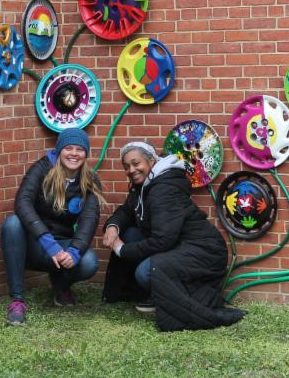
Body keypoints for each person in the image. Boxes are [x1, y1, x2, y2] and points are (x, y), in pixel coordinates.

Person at [102, 141, 245, 331]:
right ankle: (151, 292)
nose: (131, 170)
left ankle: (163, 296)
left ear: (151, 161)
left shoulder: (163, 189)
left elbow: (162, 240)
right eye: (126, 166)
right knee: (130, 233)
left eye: (136, 163)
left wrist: (122, 249)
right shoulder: (143, 186)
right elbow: (127, 211)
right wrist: (112, 226)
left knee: (145, 272)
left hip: (204, 250)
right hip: (178, 243)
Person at [0, 128, 105, 325]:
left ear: (86, 154)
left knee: (89, 261)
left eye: (80, 149)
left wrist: (74, 252)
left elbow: (89, 220)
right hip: (34, 245)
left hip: (63, 244)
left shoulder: (90, 180)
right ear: (59, 150)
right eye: (68, 148)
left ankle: (61, 286)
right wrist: (49, 244)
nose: (74, 153)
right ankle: (17, 301)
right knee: (12, 224)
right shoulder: (42, 168)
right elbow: (22, 202)